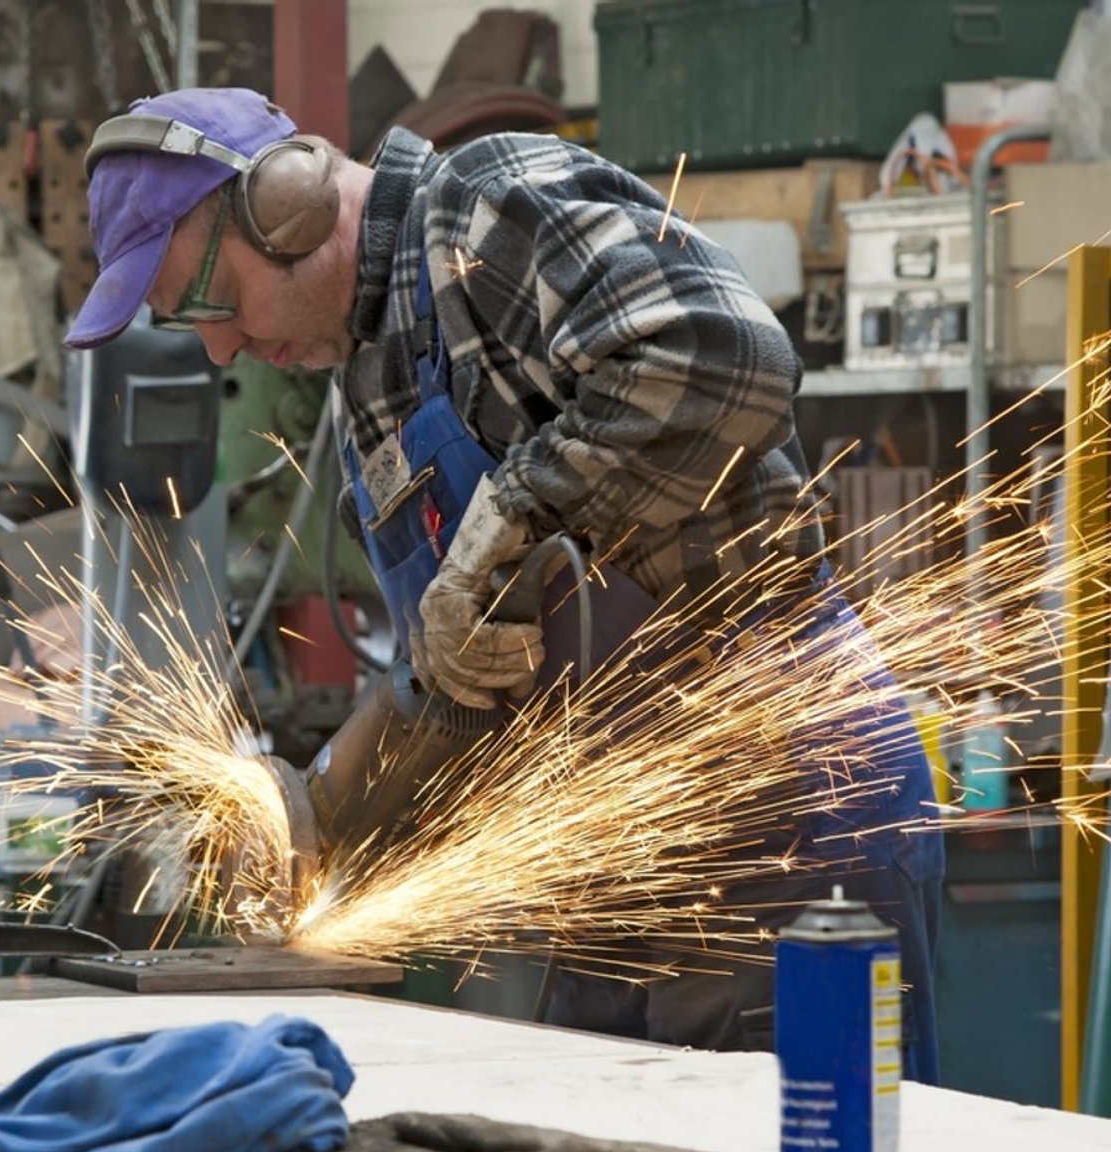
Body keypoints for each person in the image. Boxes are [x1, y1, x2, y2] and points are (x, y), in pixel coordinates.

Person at [62, 87, 943, 1080]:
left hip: (771, 802)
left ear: (287, 202)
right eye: (186, 325)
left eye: (209, 299)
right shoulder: (369, 381)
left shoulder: (484, 205)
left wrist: (511, 514)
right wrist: (316, 819)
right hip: (617, 837)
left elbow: (728, 356)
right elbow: (462, 669)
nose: (218, 347)